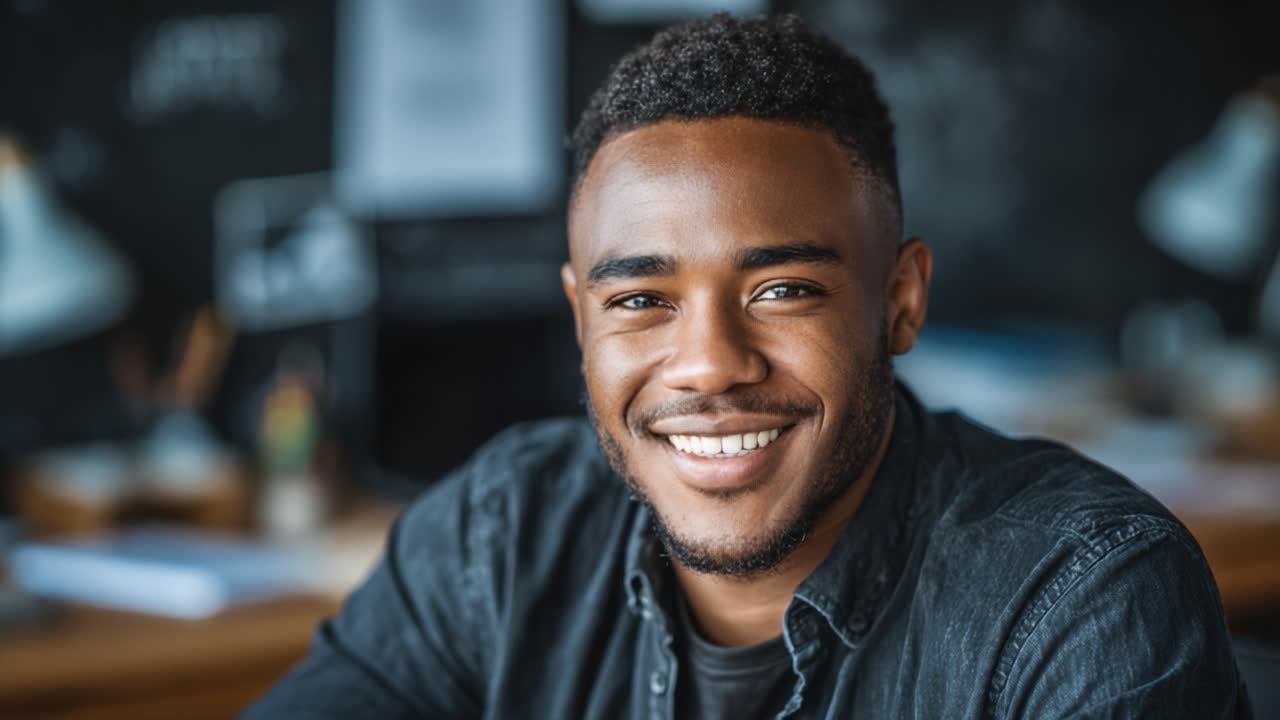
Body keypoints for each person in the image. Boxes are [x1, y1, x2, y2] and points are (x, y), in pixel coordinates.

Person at [245, 14, 1249, 719]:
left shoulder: (1082, 596)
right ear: (579, 321)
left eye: (781, 291)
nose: (708, 366)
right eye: (638, 301)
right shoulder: (500, 533)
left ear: (899, 301)